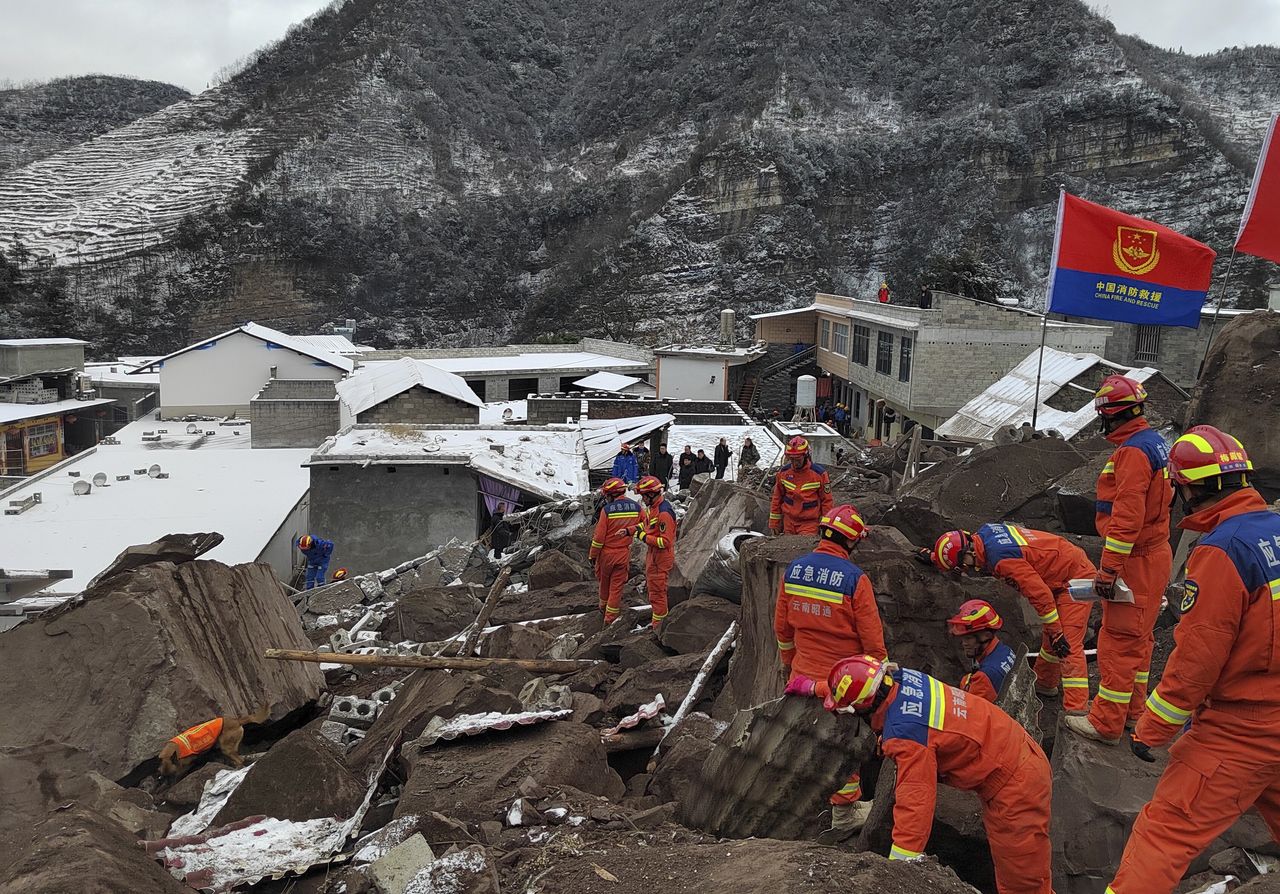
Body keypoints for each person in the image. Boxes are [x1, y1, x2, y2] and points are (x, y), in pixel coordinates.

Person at [1105, 427, 1280, 894]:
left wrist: (1152, 731)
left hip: (1241, 730)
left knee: (1163, 834)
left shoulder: (1223, 550)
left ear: (1192, 487)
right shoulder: (1275, 531)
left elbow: (1198, 659)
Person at [825, 655, 1054, 894]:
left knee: (1023, 886)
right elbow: (864, 688)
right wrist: (814, 687)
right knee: (1025, 878)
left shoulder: (907, 736)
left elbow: (915, 804)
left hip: (1015, 782)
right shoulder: (902, 679)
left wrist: (897, 868)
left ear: (863, 709)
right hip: (1012, 752)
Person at [1064, 375, 1172, 745]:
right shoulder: (1154, 443)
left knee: (1118, 641)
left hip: (1136, 560)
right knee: (1140, 641)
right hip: (1155, 555)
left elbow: (1127, 518)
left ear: (1110, 415)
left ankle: (1107, 722)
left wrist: (1108, 569)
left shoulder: (1132, 454)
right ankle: (1132, 713)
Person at [775, 504, 885, 833]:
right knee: (843, 749)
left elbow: (783, 630)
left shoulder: (794, 570)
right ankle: (844, 816)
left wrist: (789, 666)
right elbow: (873, 643)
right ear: (851, 542)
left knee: (805, 740)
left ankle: (795, 806)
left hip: (802, 677)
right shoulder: (855, 580)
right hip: (844, 685)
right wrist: (879, 681)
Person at [930, 524, 1093, 714]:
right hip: (1061, 568)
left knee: (1067, 642)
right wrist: (934, 557)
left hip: (1075, 578)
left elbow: (1041, 596)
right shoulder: (984, 535)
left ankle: (1077, 710)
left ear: (969, 551)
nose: (965, 570)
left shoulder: (1002, 561)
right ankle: (1044, 683)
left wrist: (1057, 632)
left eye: (963, 564)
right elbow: (957, 552)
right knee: (1052, 637)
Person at [588, 478, 641, 625]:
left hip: (606, 554)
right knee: (616, 586)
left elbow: (598, 538)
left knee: (604, 582)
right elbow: (645, 524)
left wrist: (592, 555)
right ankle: (610, 619)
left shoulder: (607, 510)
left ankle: (603, 608)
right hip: (623, 553)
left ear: (611, 494)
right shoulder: (636, 507)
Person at [947, 600, 1018, 704]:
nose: (964, 643)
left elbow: (970, 713)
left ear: (987, 636)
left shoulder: (982, 678)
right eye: (963, 638)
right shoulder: (1006, 651)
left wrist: (966, 684)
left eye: (968, 638)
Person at [629, 476, 676, 629]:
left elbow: (665, 542)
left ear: (651, 494)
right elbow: (647, 524)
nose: (642, 499)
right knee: (654, 592)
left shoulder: (663, 513)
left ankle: (659, 627)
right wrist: (630, 531)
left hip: (660, 559)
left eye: (643, 495)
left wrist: (643, 537)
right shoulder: (654, 509)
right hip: (654, 556)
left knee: (657, 594)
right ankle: (659, 624)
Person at [769, 436, 833, 535]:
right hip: (788, 522)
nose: (794, 463)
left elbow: (827, 501)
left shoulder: (819, 474)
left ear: (806, 456)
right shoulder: (784, 473)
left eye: (797, 459)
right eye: (792, 459)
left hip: (809, 523)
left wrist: (826, 525)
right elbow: (777, 498)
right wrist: (774, 523)